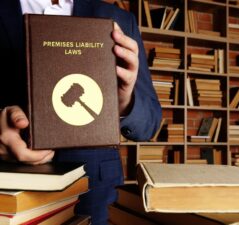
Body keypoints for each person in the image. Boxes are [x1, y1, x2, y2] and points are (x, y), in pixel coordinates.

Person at [0, 0, 162, 224]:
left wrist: (124, 102)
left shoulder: (119, 19)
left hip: (95, 191)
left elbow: (150, 122)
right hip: (8, 192)